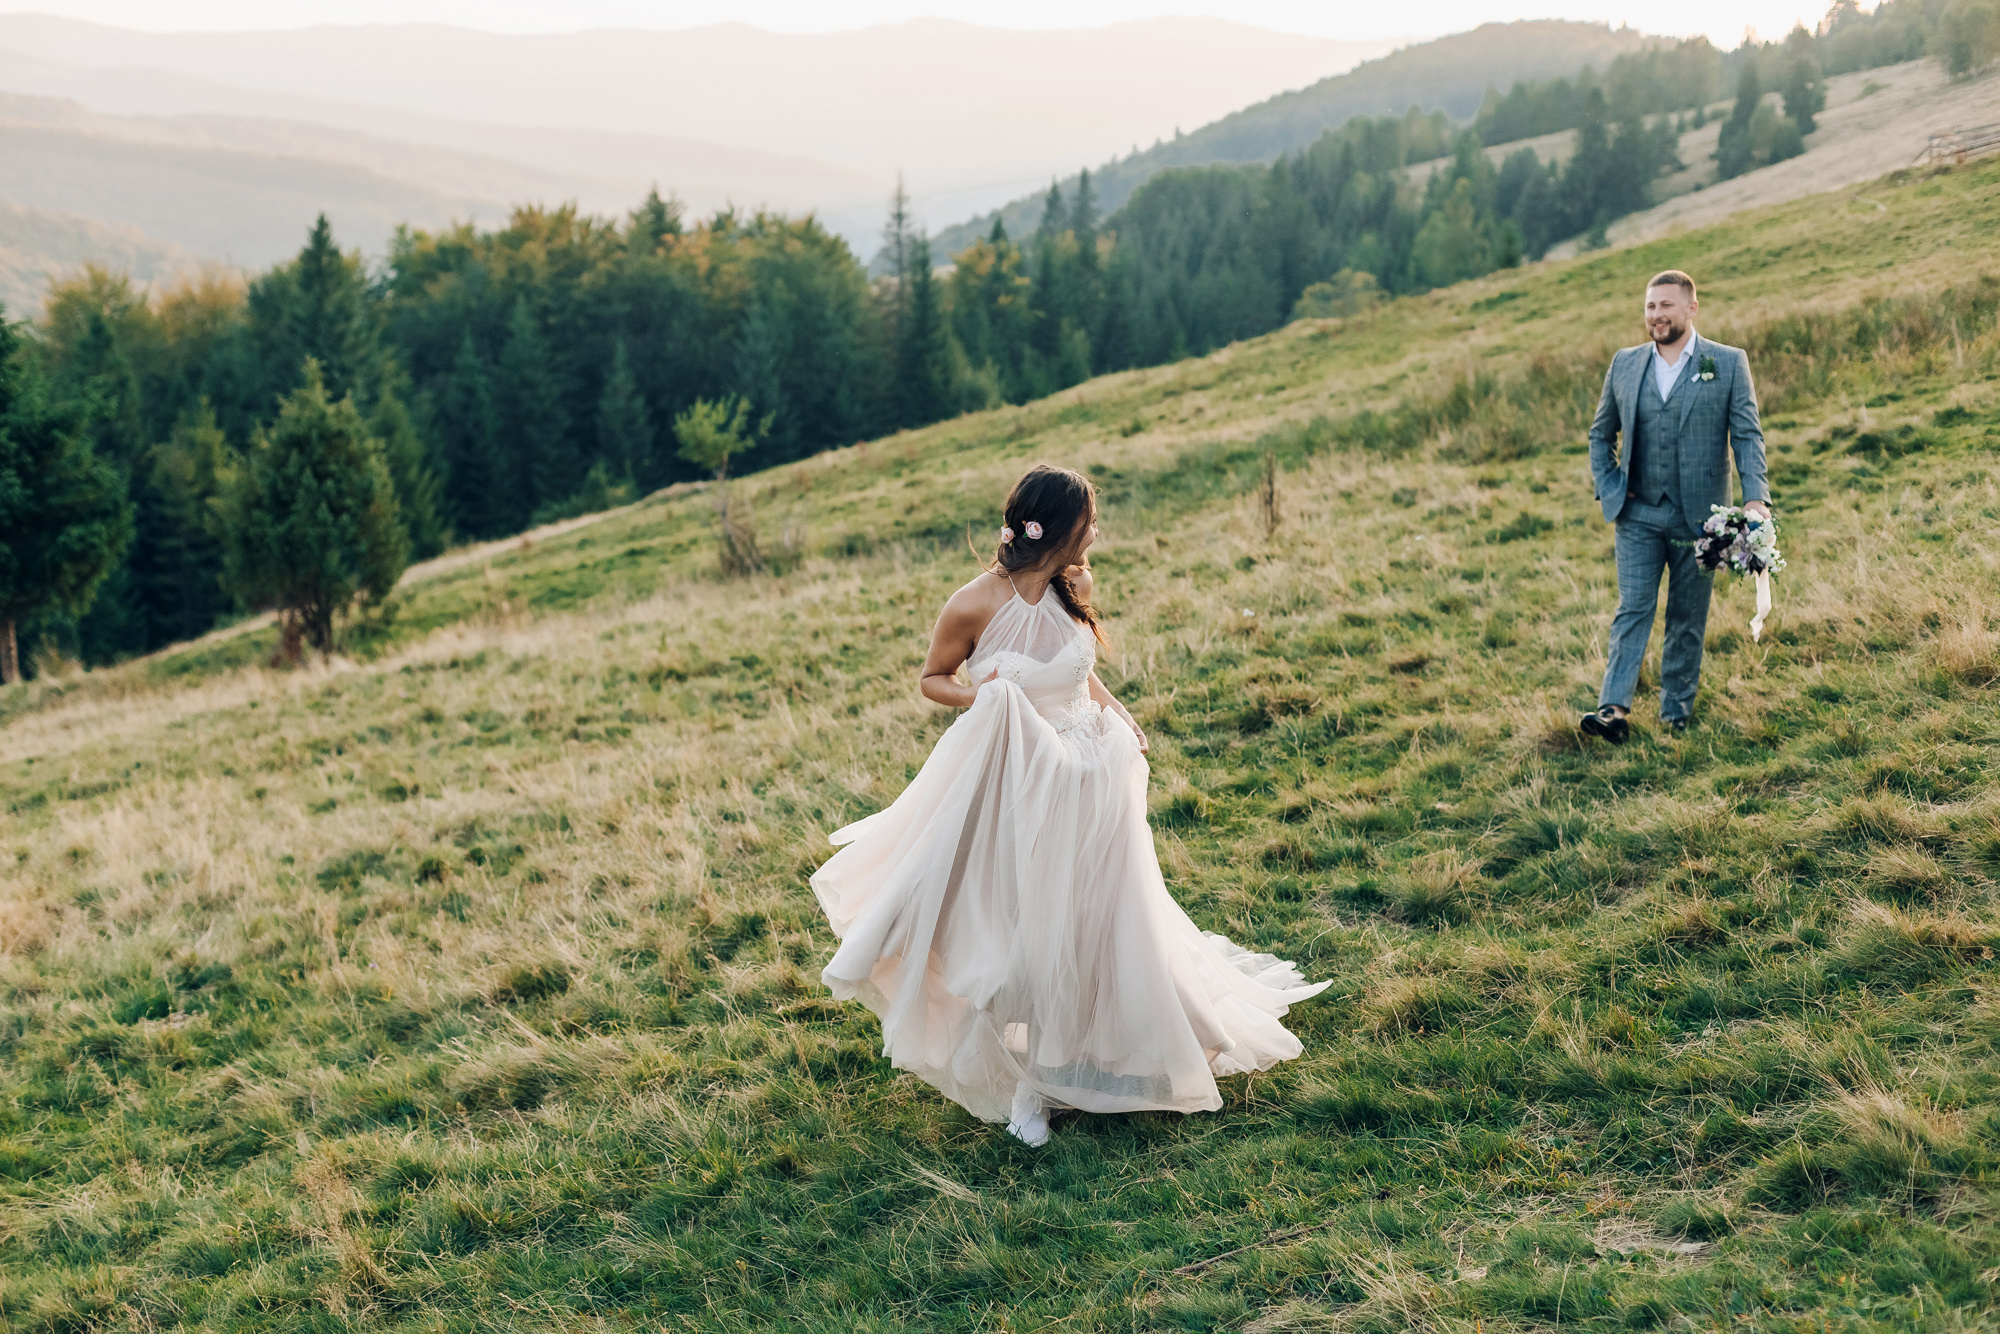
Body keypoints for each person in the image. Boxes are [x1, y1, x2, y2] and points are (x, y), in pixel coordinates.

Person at [809, 464, 1329, 1147]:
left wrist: (1122, 715)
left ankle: (1115, 1043)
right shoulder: (973, 603)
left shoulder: (1072, 585)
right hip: (1022, 783)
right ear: (1053, 528)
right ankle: (1033, 1083)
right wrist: (988, 700)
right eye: (1088, 522)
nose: (1097, 533)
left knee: (1101, 915)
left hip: (1094, 772)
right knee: (1029, 928)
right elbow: (934, 679)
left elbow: (1077, 669)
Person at [1581, 270, 1770, 743]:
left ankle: (1675, 714)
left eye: (1666, 305)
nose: (1656, 315)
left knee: (1688, 616)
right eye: (1650, 306)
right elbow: (1601, 434)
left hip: (1702, 518)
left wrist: (1755, 500)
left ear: (1691, 309)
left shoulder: (1727, 363)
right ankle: (1613, 709)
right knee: (1634, 607)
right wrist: (1610, 485)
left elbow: (1747, 436)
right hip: (1639, 515)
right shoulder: (1624, 364)